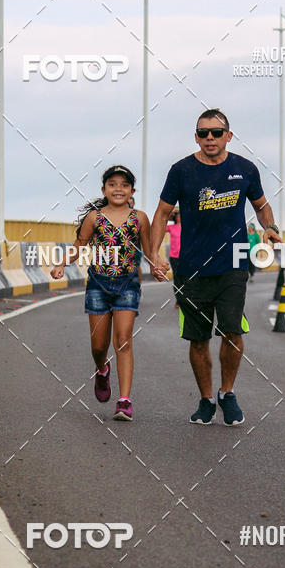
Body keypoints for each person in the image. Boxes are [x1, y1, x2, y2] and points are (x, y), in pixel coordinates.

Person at [151, 108, 281, 426]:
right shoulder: (181, 171)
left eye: (217, 132)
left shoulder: (245, 169)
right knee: (198, 340)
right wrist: (154, 253)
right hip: (191, 267)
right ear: (196, 136)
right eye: (204, 132)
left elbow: (261, 205)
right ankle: (207, 398)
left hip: (233, 262)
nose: (211, 138)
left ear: (228, 136)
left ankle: (228, 392)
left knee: (232, 331)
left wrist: (270, 226)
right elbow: (162, 212)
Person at [51, 164, 168, 421]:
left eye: (124, 185)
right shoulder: (95, 217)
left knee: (124, 339)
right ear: (104, 189)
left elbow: (148, 250)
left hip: (127, 284)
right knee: (99, 345)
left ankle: (124, 400)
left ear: (132, 191)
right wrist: (61, 264)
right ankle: (102, 368)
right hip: (98, 285)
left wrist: (157, 267)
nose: (118, 189)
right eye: (113, 184)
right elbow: (79, 245)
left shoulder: (139, 218)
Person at [167, 207, 181, 298]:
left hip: (186, 256)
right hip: (174, 257)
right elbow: (160, 224)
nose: (180, 216)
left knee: (186, 278)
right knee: (177, 279)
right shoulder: (171, 227)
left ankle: (187, 298)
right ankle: (178, 299)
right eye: (178, 215)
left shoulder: (189, 227)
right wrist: (170, 213)